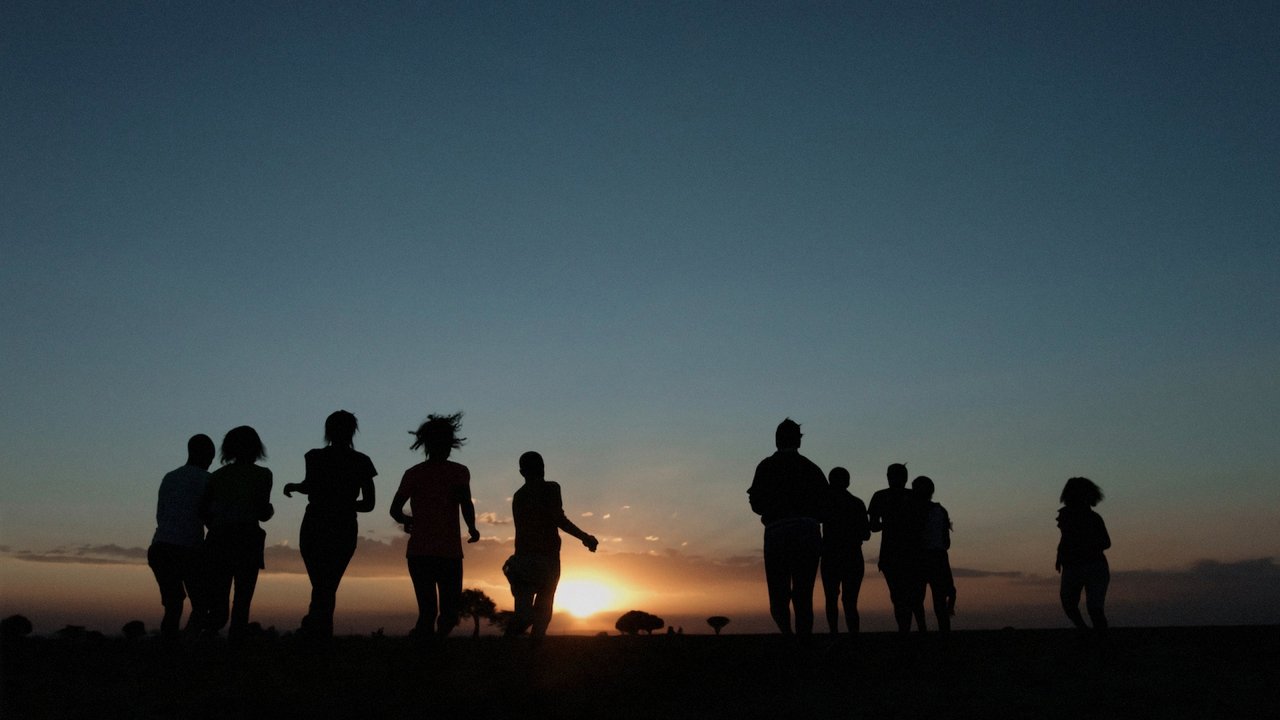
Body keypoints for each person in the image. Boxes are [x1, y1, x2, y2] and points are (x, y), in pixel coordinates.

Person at [283, 410, 376, 638]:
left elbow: (310, 486)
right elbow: (368, 504)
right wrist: (344, 504)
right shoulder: (361, 461)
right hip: (341, 528)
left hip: (315, 525)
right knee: (327, 586)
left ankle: (314, 632)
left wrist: (297, 487)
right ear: (353, 431)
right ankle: (318, 635)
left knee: (322, 586)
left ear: (328, 430)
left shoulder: (314, 456)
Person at [389, 413, 480, 640]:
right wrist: (408, 521)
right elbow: (395, 509)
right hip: (431, 553)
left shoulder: (450, 472)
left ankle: (429, 647)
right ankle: (427, 654)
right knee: (434, 612)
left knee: (443, 613)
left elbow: (465, 503)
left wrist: (472, 527)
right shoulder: (423, 473)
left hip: (435, 553)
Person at [503, 451, 598, 638]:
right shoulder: (551, 488)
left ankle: (508, 656)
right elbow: (558, 518)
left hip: (522, 560)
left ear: (522, 472)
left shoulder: (518, 496)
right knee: (543, 613)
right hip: (546, 559)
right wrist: (584, 537)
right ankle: (530, 655)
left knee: (524, 615)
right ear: (542, 468)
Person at [747, 418, 827, 636]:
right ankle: (803, 642)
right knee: (804, 594)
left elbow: (756, 504)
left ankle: (788, 636)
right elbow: (825, 505)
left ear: (776, 440)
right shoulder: (812, 469)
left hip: (777, 532)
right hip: (807, 532)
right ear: (798, 442)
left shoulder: (766, 467)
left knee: (778, 594)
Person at [200, 426, 274, 639]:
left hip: (218, 540)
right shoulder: (263, 475)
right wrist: (269, 510)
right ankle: (235, 650)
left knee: (218, 600)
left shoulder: (216, 476)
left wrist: (215, 526)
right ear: (256, 448)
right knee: (242, 601)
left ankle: (206, 645)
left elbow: (203, 511)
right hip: (247, 540)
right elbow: (262, 512)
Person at [147, 434, 215, 641]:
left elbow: (161, 514)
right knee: (202, 605)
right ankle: (186, 646)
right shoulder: (208, 480)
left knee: (173, 605)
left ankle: (170, 651)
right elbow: (210, 515)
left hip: (160, 548)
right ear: (208, 455)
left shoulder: (170, 477)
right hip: (188, 549)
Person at [868, 462, 926, 632]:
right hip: (912, 553)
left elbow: (873, 526)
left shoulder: (880, 496)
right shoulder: (915, 496)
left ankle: (905, 631)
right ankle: (920, 629)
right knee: (915, 597)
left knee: (899, 596)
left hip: (892, 554)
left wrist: (889, 523)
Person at [1056, 477, 1111, 634]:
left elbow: (1106, 542)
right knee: (1069, 603)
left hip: (1094, 566)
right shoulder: (1067, 516)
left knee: (1094, 608)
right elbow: (1065, 538)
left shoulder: (1094, 519)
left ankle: (1100, 640)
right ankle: (1086, 632)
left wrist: (1083, 547)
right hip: (1074, 566)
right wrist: (1059, 556)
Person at [819, 466, 870, 635]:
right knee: (850, 602)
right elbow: (866, 534)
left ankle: (834, 634)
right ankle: (853, 636)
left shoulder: (824, 503)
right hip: (853, 556)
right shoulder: (857, 503)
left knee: (831, 599)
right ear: (848, 482)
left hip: (831, 556)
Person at [911, 475, 955, 633]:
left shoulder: (911, 511)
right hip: (938, 558)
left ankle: (922, 629)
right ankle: (944, 632)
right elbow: (946, 542)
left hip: (920, 558)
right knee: (940, 600)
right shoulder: (940, 511)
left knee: (917, 599)